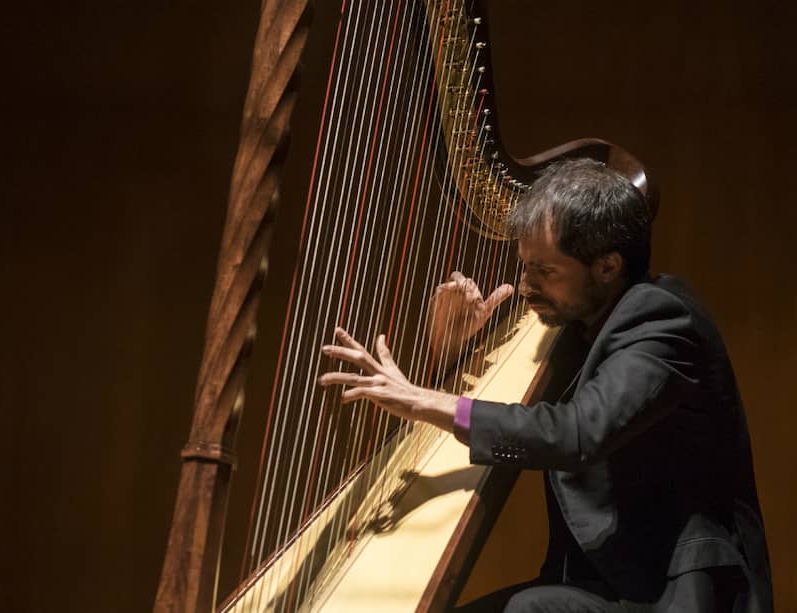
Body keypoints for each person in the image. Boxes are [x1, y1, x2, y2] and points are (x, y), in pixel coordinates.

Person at [318, 159, 772, 612]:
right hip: (605, 581)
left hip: (671, 593)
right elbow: (507, 416)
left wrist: (424, 401)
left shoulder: (659, 320)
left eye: (544, 271)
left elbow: (576, 434)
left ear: (608, 267)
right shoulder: (583, 322)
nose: (525, 286)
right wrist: (452, 354)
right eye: (524, 267)